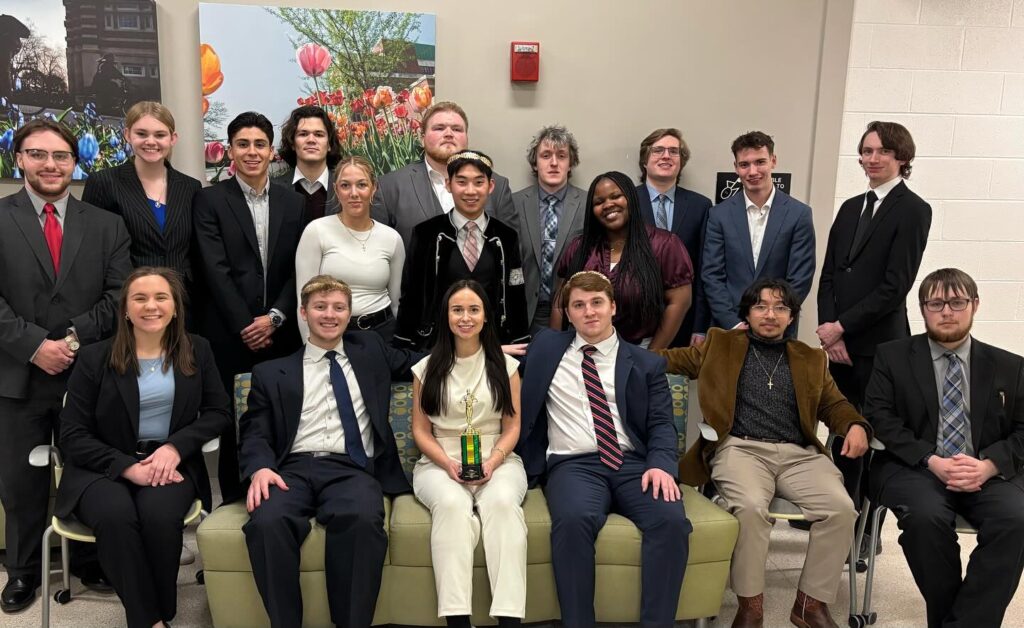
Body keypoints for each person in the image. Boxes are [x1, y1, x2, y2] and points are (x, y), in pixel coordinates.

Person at [658, 278, 869, 628]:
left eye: (780, 307)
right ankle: (750, 607)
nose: (770, 314)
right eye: (761, 306)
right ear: (748, 313)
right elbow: (666, 360)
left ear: (791, 317)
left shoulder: (811, 358)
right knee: (752, 509)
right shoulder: (720, 343)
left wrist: (856, 425)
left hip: (799, 455)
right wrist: (610, 348)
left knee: (841, 509)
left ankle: (809, 605)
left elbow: (835, 405)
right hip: (741, 449)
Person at [0, 119, 132, 613]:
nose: (50, 165)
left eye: (60, 156)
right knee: (19, 481)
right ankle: (23, 571)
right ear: (19, 158)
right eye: (38, 154)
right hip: (16, 374)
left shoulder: (106, 224)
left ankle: (91, 561)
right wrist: (35, 345)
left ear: (75, 162)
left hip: (85, 373)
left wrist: (72, 339)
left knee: (90, 471)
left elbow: (119, 296)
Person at [239, 275, 421, 628]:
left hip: (350, 468)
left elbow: (424, 360)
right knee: (266, 522)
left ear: (349, 313)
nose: (329, 315)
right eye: (320, 307)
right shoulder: (271, 372)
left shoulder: (371, 349)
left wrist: (483, 349)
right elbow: (255, 430)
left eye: (339, 307)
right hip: (289, 469)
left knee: (362, 519)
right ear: (303, 312)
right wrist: (260, 467)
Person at [56, 267, 231, 628]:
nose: (151, 306)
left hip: (170, 464)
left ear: (176, 307)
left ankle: (153, 616)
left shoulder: (198, 349)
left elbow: (218, 413)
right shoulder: (94, 358)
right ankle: (152, 621)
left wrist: (175, 448)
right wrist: (125, 466)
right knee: (116, 517)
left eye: (161, 297)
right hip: (102, 467)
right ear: (125, 309)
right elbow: (72, 434)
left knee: (159, 517)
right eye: (140, 298)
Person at [518, 270, 691, 628]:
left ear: (613, 307)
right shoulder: (546, 347)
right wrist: (494, 350)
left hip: (635, 464)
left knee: (671, 521)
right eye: (578, 305)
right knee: (573, 521)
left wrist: (661, 465)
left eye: (597, 303)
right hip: (574, 465)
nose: (589, 312)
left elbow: (661, 423)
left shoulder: (646, 363)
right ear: (568, 313)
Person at [864, 268, 1024, 628]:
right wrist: (929, 458)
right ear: (922, 309)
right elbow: (880, 416)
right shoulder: (891, 356)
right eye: (936, 303)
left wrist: (989, 465)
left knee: (1017, 519)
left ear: (975, 305)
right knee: (924, 520)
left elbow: (1023, 430)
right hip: (914, 467)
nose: (947, 312)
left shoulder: (1010, 366)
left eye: (956, 302)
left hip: (987, 472)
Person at [817, 121, 931, 566]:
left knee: (876, 439)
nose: (872, 158)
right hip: (840, 346)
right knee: (842, 434)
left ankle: (867, 533)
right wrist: (830, 330)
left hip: (881, 347)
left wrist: (842, 326)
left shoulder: (913, 209)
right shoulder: (849, 208)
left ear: (902, 157)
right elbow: (829, 275)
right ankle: (837, 519)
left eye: (882, 151)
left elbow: (895, 286)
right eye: (866, 150)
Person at [192, 111, 305, 504]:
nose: (252, 152)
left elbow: (299, 268)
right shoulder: (208, 200)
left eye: (260, 144)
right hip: (227, 335)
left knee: (281, 415)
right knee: (232, 423)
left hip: (282, 333)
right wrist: (246, 325)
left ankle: (281, 500)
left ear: (272, 151)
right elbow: (214, 268)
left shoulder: (294, 202)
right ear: (230, 151)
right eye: (243, 144)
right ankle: (233, 507)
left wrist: (274, 318)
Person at [411, 280, 527, 627]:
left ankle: (509, 618)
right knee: (451, 505)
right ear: (446, 316)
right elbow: (420, 430)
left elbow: (512, 428)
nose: (466, 317)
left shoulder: (506, 367)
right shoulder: (426, 368)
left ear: (486, 316)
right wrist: (447, 463)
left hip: (498, 456)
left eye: (473, 309)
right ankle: (458, 620)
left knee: (503, 504)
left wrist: (492, 462)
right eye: (457, 310)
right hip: (438, 460)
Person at [395, 150, 529, 351]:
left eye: (478, 182)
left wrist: (519, 342)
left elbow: (516, 294)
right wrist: (404, 344)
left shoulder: (506, 236)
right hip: (439, 347)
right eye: (462, 182)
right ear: (449, 185)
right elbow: (411, 294)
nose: (470, 191)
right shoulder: (425, 234)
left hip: (496, 346)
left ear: (490, 186)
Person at [552, 171, 692, 351]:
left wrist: (651, 356)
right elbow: (559, 302)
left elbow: (679, 302)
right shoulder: (580, 246)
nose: (608, 205)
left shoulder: (664, 245)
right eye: (599, 202)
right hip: (582, 350)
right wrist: (554, 348)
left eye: (616, 196)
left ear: (631, 198)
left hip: (639, 350)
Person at [82, 102, 202, 313]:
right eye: (142, 133)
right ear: (127, 135)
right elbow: (92, 249)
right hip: (127, 302)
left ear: (173, 139)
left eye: (160, 135)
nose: (151, 141)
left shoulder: (191, 187)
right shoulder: (103, 182)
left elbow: (194, 250)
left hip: (182, 303)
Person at [702, 131, 815, 334]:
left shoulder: (799, 214)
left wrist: (774, 316)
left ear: (773, 161)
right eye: (745, 164)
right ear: (736, 168)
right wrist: (733, 323)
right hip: (729, 327)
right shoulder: (718, 214)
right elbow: (712, 275)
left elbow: (800, 277)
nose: (753, 171)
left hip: (777, 329)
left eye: (760, 162)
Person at [371, 101, 516, 249]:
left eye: (457, 129)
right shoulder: (389, 187)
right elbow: (377, 253)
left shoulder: (497, 185)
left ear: (466, 138)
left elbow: (513, 248)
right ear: (422, 138)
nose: (448, 134)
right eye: (439, 128)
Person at [295, 156, 404, 343]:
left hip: (382, 335)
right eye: (345, 185)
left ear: (373, 188)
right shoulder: (317, 231)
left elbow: (396, 303)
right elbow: (303, 301)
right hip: (333, 333)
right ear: (336, 190)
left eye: (362, 185)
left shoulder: (391, 238)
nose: (354, 193)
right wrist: (310, 347)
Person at [503, 125, 586, 334]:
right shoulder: (514, 203)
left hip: (573, 311)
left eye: (562, 156)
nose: (554, 163)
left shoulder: (588, 203)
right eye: (546, 155)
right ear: (535, 162)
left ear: (571, 163)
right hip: (526, 311)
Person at [636, 128, 713, 347]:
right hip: (634, 324)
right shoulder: (625, 202)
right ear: (645, 160)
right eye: (658, 150)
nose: (666, 156)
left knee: (677, 381)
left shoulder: (701, 206)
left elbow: (704, 270)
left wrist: (700, 326)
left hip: (684, 323)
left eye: (673, 151)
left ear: (681, 161)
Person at [272, 105, 342, 222]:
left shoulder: (347, 187)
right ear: (292, 143)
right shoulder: (272, 189)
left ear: (329, 144)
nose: (311, 140)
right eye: (303, 134)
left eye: (319, 134)